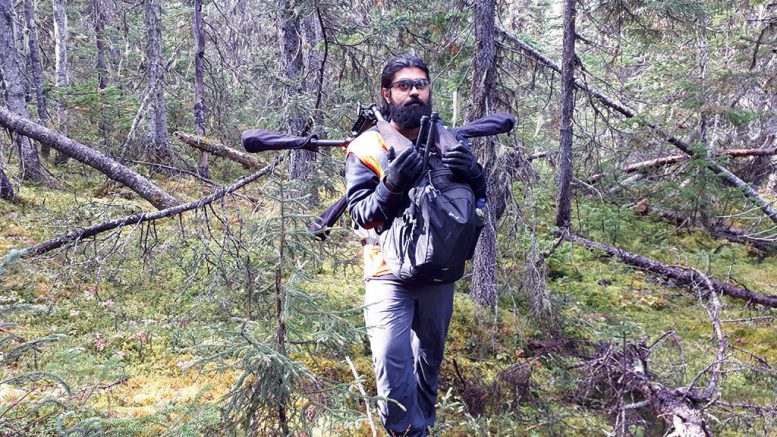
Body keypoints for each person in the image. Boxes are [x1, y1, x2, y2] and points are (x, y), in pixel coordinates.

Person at [344, 53, 485, 437]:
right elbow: (361, 214)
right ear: (386, 94)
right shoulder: (367, 147)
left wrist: (475, 176)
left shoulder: (448, 140)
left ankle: (424, 425)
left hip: (439, 269)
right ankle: (404, 431)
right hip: (386, 271)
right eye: (404, 86)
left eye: (420, 84)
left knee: (430, 356)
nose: (414, 93)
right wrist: (391, 185)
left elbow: (480, 206)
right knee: (392, 356)